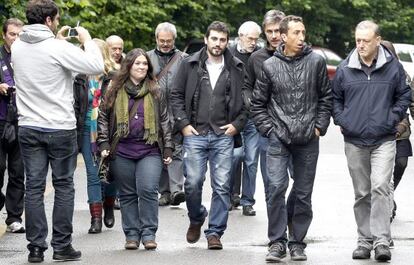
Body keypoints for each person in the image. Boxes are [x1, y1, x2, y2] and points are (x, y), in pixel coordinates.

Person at [11, 0, 104, 263]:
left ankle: (36, 248)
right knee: (63, 186)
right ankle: (62, 246)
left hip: (28, 126)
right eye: (57, 19)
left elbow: (54, 67)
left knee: (34, 187)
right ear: (50, 20)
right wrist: (85, 39)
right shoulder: (57, 46)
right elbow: (95, 66)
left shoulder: (17, 46)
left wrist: (59, 41)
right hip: (60, 128)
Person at [251, 15, 332, 262]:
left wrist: (319, 127)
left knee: (303, 193)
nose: (301, 37)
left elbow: (326, 98)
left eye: (303, 33)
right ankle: (277, 242)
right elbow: (257, 104)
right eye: (296, 33)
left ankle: (297, 242)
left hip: (308, 138)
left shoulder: (317, 61)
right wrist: (269, 130)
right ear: (283, 36)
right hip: (278, 138)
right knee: (275, 188)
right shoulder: (269, 66)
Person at [332, 21, 411, 262]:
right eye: (357, 40)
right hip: (354, 140)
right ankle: (364, 240)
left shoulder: (393, 67)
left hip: (384, 139)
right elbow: (336, 98)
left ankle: (381, 240)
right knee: (362, 192)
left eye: (366, 40)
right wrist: (343, 120)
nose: (361, 45)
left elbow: (404, 94)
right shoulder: (345, 68)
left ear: (378, 40)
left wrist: (392, 118)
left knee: (380, 187)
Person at [170, 21, 247, 250]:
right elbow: (175, 95)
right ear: (206, 39)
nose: (218, 44)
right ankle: (196, 217)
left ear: (227, 42)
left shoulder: (237, 66)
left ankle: (215, 232)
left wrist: (237, 125)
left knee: (222, 185)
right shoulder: (190, 63)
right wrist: (183, 124)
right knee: (192, 183)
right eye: (214, 39)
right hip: (195, 132)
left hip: (224, 134)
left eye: (222, 40)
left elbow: (248, 101)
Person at [97, 48, 173, 250]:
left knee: (148, 190)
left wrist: (168, 148)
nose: (142, 67)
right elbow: (103, 116)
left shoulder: (156, 89)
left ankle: (148, 233)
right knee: (128, 194)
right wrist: (103, 143)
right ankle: (131, 234)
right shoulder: (113, 88)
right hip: (121, 150)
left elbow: (165, 119)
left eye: (145, 63)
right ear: (128, 66)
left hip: (149, 149)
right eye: (137, 63)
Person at [73, 38, 118, 234]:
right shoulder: (80, 77)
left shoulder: (114, 76)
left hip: (109, 130)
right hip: (86, 130)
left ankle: (109, 203)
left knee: (110, 173)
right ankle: (96, 218)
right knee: (93, 174)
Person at [147, 22, 187, 207]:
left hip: (178, 111)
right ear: (156, 39)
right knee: (159, 150)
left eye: (168, 41)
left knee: (176, 150)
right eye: (162, 41)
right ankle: (164, 192)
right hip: (153, 112)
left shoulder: (184, 59)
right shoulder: (146, 58)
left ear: (174, 40)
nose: (165, 44)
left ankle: (177, 189)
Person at [227, 21, 261, 215]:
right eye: (250, 38)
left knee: (251, 160)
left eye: (256, 39)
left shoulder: (259, 57)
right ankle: (232, 196)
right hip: (233, 116)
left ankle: (248, 201)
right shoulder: (229, 54)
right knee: (234, 157)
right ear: (240, 35)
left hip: (254, 115)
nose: (253, 42)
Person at [381, 40, 414, 223]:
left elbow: (411, 100)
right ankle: (385, 199)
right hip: (378, 132)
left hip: (401, 131)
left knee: (400, 163)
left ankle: (388, 194)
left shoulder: (403, 74)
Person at [0, 18, 25, 233]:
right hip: (0, 120)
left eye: (19, 35)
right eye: (12, 35)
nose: (16, 39)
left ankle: (14, 217)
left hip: (22, 120)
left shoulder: (28, 56)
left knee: (18, 172)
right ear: (4, 35)